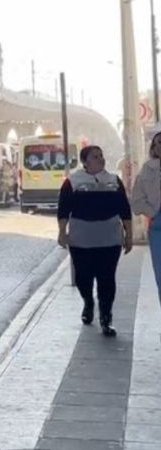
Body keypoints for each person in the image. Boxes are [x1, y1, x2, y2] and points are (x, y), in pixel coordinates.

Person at [57, 145, 133, 337]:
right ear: (85, 161)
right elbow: (64, 209)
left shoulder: (114, 181)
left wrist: (129, 234)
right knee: (84, 278)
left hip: (109, 238)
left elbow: (124, 209)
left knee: (107, 280)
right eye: (95, 156)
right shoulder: (72, 182)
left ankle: (106, 318)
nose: (100, 159)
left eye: (101, 155)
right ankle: (88, 302)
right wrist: (61, 232)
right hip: (81, 239)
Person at [132, 131, 161, 296]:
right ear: (154, 148)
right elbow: (137, 201)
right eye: (159, 143)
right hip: (158, 226)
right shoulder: (147, 170)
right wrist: (153, 212)